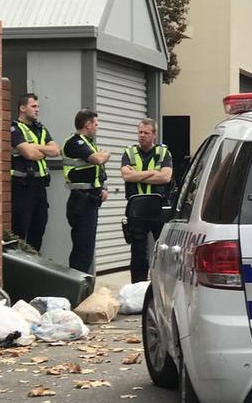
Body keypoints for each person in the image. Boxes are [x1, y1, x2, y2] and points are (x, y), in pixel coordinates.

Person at [120, 118, 172, 283]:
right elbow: (127, 176)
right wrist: (151, 172)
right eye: (140, 132)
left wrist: (138, 175)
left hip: (158, 208)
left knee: (162, 250)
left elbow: (165, 177)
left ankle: (161, 284)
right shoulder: (129, 152)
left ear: (154, 135)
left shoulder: (164, 153)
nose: (142, 136)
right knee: (138, 253)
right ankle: (138, 288)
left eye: (146, 133)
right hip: (136, 208)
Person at [62, 109, 111, 274]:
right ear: (87, 124)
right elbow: (97, 159)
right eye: (96, 124)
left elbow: (97, 171)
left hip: (90, 200)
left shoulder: (90, 144)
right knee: (82, 247)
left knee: (87, 247)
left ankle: (83, 284)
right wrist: (105, 154)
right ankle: (77, 284)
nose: (98, 127)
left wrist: (102, 188)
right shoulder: (76, 143)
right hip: (80, 202)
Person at [10, 93, 60, 251]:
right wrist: (41, 150)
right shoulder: (14, 128)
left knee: (38, 231)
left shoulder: (40, 129)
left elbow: (56, 150)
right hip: (22, 189)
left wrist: (36, 148)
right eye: (33, 106)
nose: (37, 110)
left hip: (39, 189)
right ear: (22, 108)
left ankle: (34, 270)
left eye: (38, 107)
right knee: (19, 233)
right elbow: (29, 154)